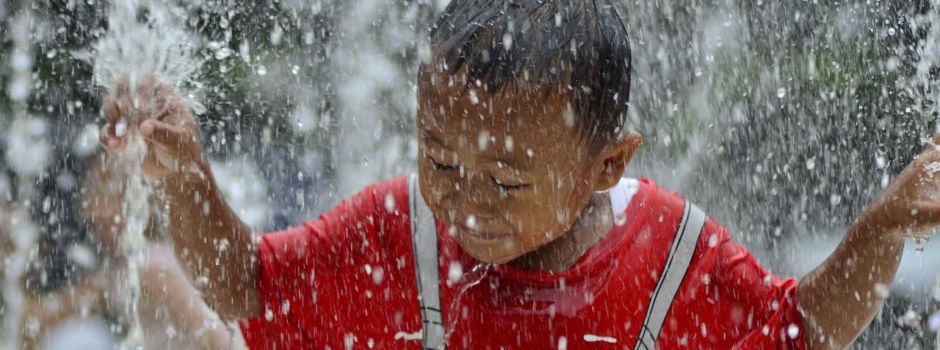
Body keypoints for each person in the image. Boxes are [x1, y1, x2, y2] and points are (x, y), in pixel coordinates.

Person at [97, 0, 940, 348]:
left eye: (503, 181)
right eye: (438, 159)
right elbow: (245, 284)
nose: (462, 200)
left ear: (606, 164)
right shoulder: (404, 235)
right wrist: (187, 179)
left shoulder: (671, 258)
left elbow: (802, 332)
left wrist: (884, 225)